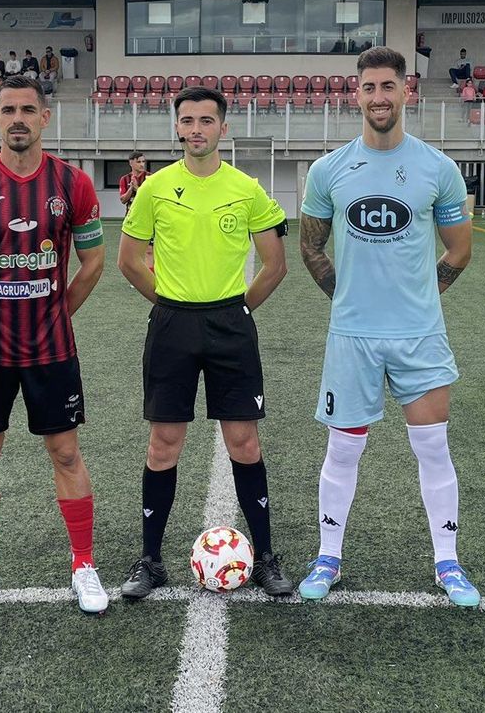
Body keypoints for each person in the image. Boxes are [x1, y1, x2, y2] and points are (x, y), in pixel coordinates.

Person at [298, 46, 480, 607]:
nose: (378, 97)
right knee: (344, 450)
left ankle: (447, 563)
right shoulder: (328, 170)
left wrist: (421, 298)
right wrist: (346, 297)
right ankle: (328, 556)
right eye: (368, 87)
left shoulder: (438, 168)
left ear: (408, 91)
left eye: (388, 86)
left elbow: (460, 248)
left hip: (419, 335)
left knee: (433, 448)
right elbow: (309, 245)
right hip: (352, 337)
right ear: (356, 95)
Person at [0, 74, 109, 616]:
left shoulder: (73, 184)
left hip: (51, 349)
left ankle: (83, 565)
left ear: (44, 118)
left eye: (27, 110)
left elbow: (93, 261)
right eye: (7, 109)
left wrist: (54, 312)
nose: (17, 118)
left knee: (65, 451)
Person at [116, 85, 294, 600]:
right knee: (163, 444)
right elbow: (129, 259)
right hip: (172, 325)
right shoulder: (153, 188)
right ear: (177, 127)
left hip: (229, 326)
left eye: (207, 120)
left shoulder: (246, 188)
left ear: (223, 127)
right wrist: (168, 304)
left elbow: (275, 264)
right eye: (188, 120)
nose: (197, 129)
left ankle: (264, 557)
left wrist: (236, 311)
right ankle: (150, 560)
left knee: (245, 442)